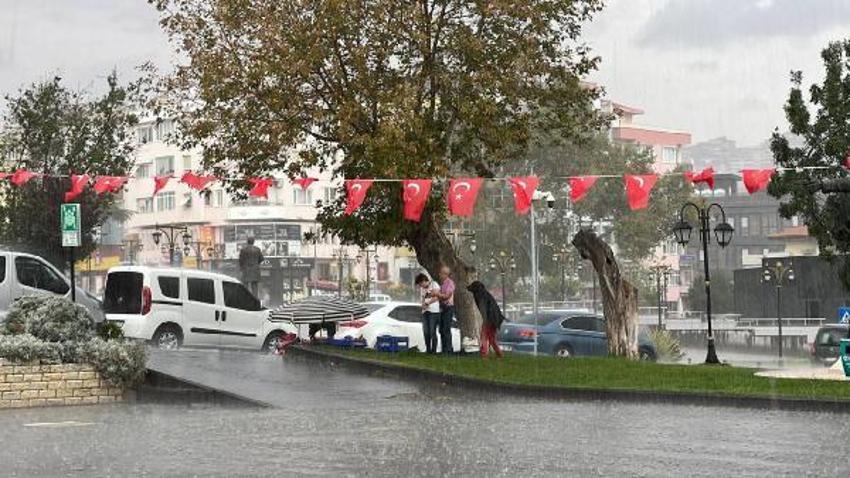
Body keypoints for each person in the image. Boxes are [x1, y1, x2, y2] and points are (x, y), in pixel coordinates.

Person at [467, 280, 505, 358]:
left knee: (483, 336)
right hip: (495, 318)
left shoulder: (479, 296)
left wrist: (485, 321)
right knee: (491, 337)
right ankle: (499, 354)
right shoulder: (486, 294)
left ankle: (484, 354)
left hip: (490, 318)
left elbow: (483, 309)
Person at [416, 273, 441, 354]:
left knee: (432, 331)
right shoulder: (422, 289)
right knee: (426, 331)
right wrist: (423, 304)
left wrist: (428, 303)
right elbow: (423, 298)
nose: (421, 286)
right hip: (425, 312)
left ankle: (434, 351)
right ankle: (428, 349)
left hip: (433, 312)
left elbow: (437, 297)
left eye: (420, 284)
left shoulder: (434, 284)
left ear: (424, 281)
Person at [434, 265, 455, 354]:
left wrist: (437, 294)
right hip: (442, 308)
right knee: (441, 329)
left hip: (448, 308)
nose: (441, 275)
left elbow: (447, 296)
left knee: (446, 329)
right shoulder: (442, 283)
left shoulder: (450, 283)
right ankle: (444, 349)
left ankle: (448, 349)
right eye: (441, 273)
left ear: (447, 274)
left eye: (443, 273)